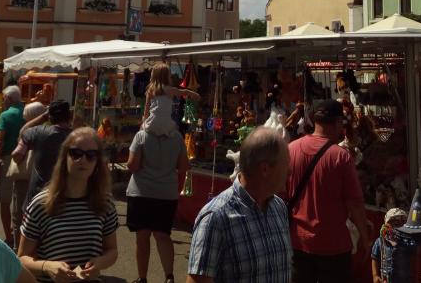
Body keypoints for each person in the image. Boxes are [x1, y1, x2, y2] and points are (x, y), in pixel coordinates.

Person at [187, 127, 292, 283]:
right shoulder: (216, 218)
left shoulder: (278, 208)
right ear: (265, 169)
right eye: (286, 164)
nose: (289, 171)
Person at [18, 127, 119, 283]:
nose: (82, 160)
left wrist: (100, 263)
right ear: (65, 157)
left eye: (91, 155)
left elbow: (112, 250)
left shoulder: (105, 203)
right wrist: (47, 266)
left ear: (98, 162)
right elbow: (22, 259)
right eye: (76, 154)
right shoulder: (41, 203)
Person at [285, 99, 370, 283]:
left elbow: (279, 194)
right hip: (333, 246)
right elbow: (354, 203)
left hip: (298, 242)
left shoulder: (291, 150)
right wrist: (365, 238)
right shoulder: (340, 157)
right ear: (338, 123)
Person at [128, 64, 199, 283]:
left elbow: (132, 165)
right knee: (162, 235)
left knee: (142, 237)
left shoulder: (141, 134)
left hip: (141, 192)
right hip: (166, 193)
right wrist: (190, 94)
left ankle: (142, 278)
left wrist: (144, 122)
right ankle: (169, 276)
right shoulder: (177, 137)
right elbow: (184, 167)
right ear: (167, 76)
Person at [14, 101, 73, 206]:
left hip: (37, 195)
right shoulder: (77, 136)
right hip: (66, 195)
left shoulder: (37, 132)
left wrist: (43, 117)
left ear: (50, 117)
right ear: (69, 116)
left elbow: (17, 152)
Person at [0, 85, 28, 245]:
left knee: (5, 199)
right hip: (26, 158)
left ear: (8, 98)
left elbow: (0, 140)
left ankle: (9, 237)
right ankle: (22, 236)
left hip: (9, 158)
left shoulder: (5, 115)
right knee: (23, 199)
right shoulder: (28, 113)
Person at [370, 208, 413, 283]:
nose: (399, 226)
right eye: (396, 223)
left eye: (402, 223)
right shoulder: (380, 241)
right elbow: (375, 258)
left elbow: (419, 251)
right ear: (387, 224)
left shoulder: (407, 241)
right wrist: (375, 275)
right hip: (386, 279)